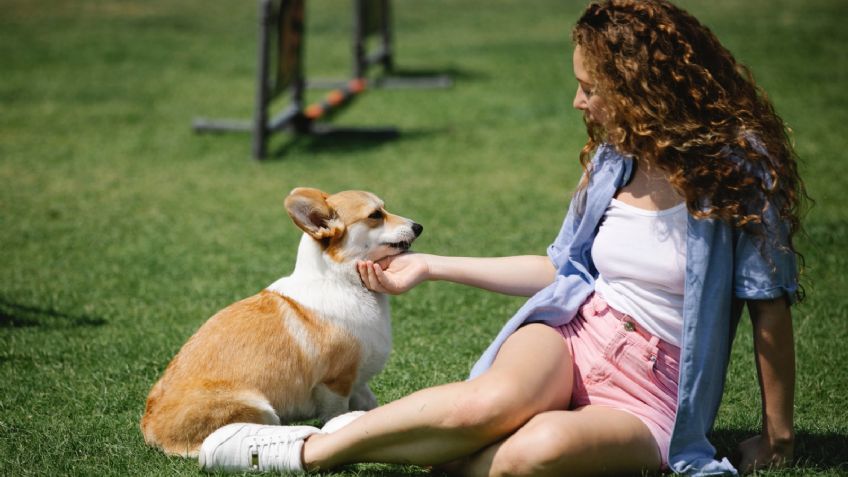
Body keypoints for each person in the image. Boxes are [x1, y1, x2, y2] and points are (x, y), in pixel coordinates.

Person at [198, 0, 805, 475]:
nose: (578, 101)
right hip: (577, 333)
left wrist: (778, 436)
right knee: (482, 408)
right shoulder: (614, 161)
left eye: (591, 88)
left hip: (657, 391)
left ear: (639, 87)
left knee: (532, 452)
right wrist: (429, 265)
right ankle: (305, 454)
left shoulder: (738, 173)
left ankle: (448, 461)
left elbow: (768, 310)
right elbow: (562, 270)